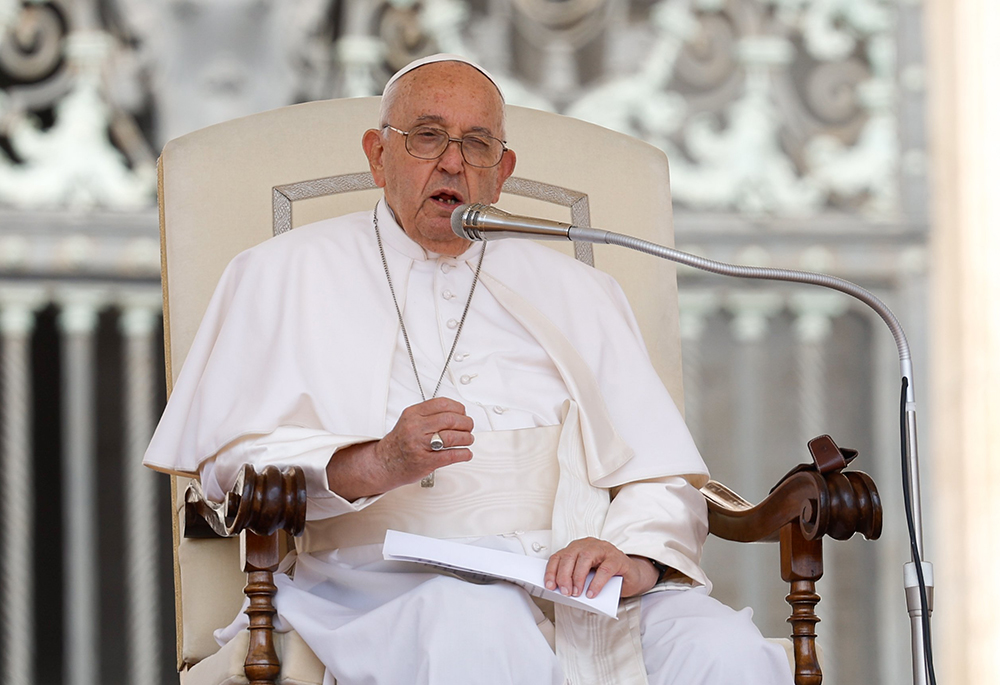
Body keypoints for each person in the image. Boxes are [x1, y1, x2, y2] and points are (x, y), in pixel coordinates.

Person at [144, 54, 793, 685]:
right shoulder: (279, 273)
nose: (452, 160)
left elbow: (661, 470)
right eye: (427, 137)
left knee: (725, 650)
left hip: (573, 582)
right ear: (377, 155)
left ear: (502, 171)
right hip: (378, 584)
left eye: (477, 144)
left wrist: (634, 555)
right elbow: (232, 468)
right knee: (479, 628)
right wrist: (375, 461)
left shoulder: (579, 289)